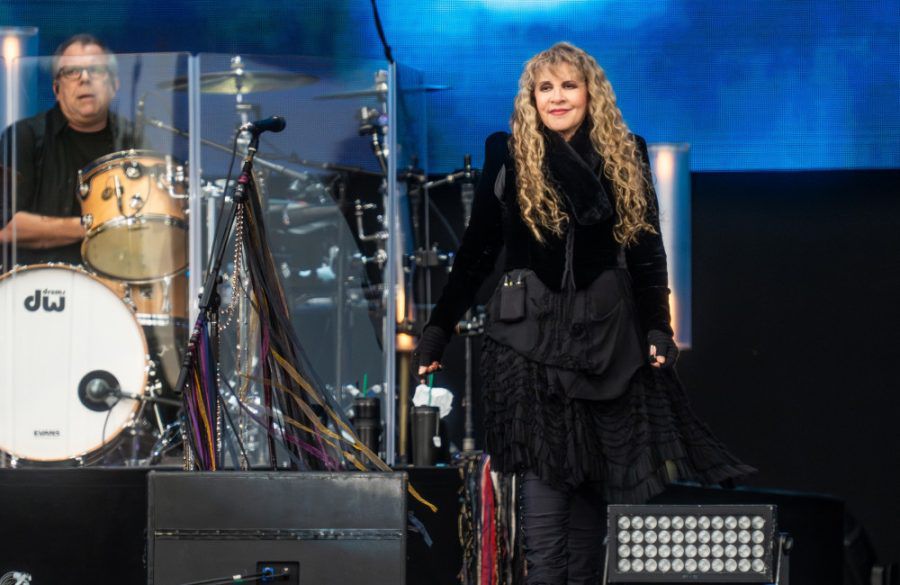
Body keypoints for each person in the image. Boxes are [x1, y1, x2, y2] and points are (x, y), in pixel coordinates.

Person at [416, 42, 754, 584]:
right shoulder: (507, 152)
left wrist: (658, 328)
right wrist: (437, 331)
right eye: (545, 87)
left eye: (568, 85)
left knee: (592, 484)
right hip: (528, 338)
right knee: (547, 480)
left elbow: (646, 250)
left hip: (605, 337)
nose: (557, 97)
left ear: (590, 92)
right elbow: (477, 250)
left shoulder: (626, 150)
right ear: (531, 97)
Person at [1, 34, 134, 268]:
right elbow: (5, 227)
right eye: (72, 72)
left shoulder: (135, 139)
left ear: (115, 85)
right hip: (34, 288)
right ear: (56, 89)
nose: (84, 78)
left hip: (116, 285)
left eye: (96, 70)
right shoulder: (24, 137)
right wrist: (95, 225)